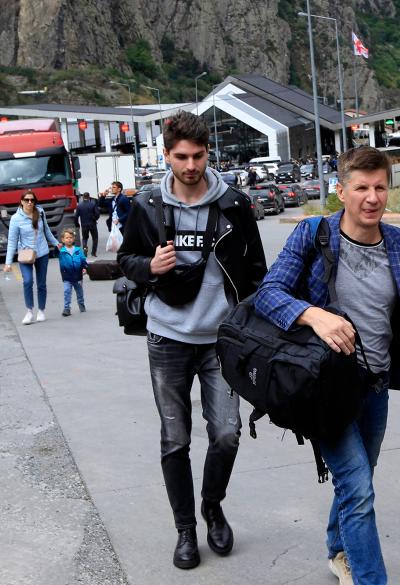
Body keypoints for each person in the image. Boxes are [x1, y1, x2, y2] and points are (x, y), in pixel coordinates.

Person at [254, 146, 400, 585]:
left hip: (375, 385)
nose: (371, 197)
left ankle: (338, 548)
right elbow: (268, 292)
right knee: (357, 486)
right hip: (324, 388)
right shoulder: (314, 234)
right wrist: (313, 314)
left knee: (360, 475)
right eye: (361, 188)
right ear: (341, 191)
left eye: (380, 188)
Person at [117, 111, 267, 571]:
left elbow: (257, 272)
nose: (190, 165)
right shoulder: (146, 206)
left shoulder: (234, 206)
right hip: (167, 339)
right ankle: (185, 529)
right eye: (181, 157)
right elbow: (125, 258)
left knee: (226, 433)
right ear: (167, 155)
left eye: (198, 156)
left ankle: (212, 505)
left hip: (221, 339)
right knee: (175, 438)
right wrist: (149, 268)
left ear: (208, 153)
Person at [3, 190, 61, 325]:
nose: (30, 202)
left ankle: (41, 310)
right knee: (28, 281)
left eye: (32, 200)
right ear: (21, 201)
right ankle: (29, 311)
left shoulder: (40, 213)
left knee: (41, 283)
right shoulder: (15, 219)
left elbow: (46, 230)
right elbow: (12, 241)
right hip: (25, 254)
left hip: (42, 253)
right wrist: (8, 263)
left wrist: (56, 243)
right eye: (27, 200)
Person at [57, 227, 88, 316]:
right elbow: (54, 254)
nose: (69, 239)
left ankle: (81, 305)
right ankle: (67, 308)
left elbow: (83, 260)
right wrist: (57, 249)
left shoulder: (78, 250)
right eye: (67, 238)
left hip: (78, 275)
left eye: (71, 237)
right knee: (67, 291)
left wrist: (85, 267)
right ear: (63, 240)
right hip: (67, 276)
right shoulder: (61, 251)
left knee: (79, 292)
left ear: (73, 239)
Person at [75, 192, 100, 257]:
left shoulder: (79, 206)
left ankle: (85, 249)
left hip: (84, 225)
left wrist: (77, 224)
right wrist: (95, 219)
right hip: (92, 224)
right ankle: (93, 252)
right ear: (89, 197)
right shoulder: (93, 204)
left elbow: (76, 216)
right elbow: (97, 214)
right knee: (95, 238)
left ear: (83, 197)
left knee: (85, 238)